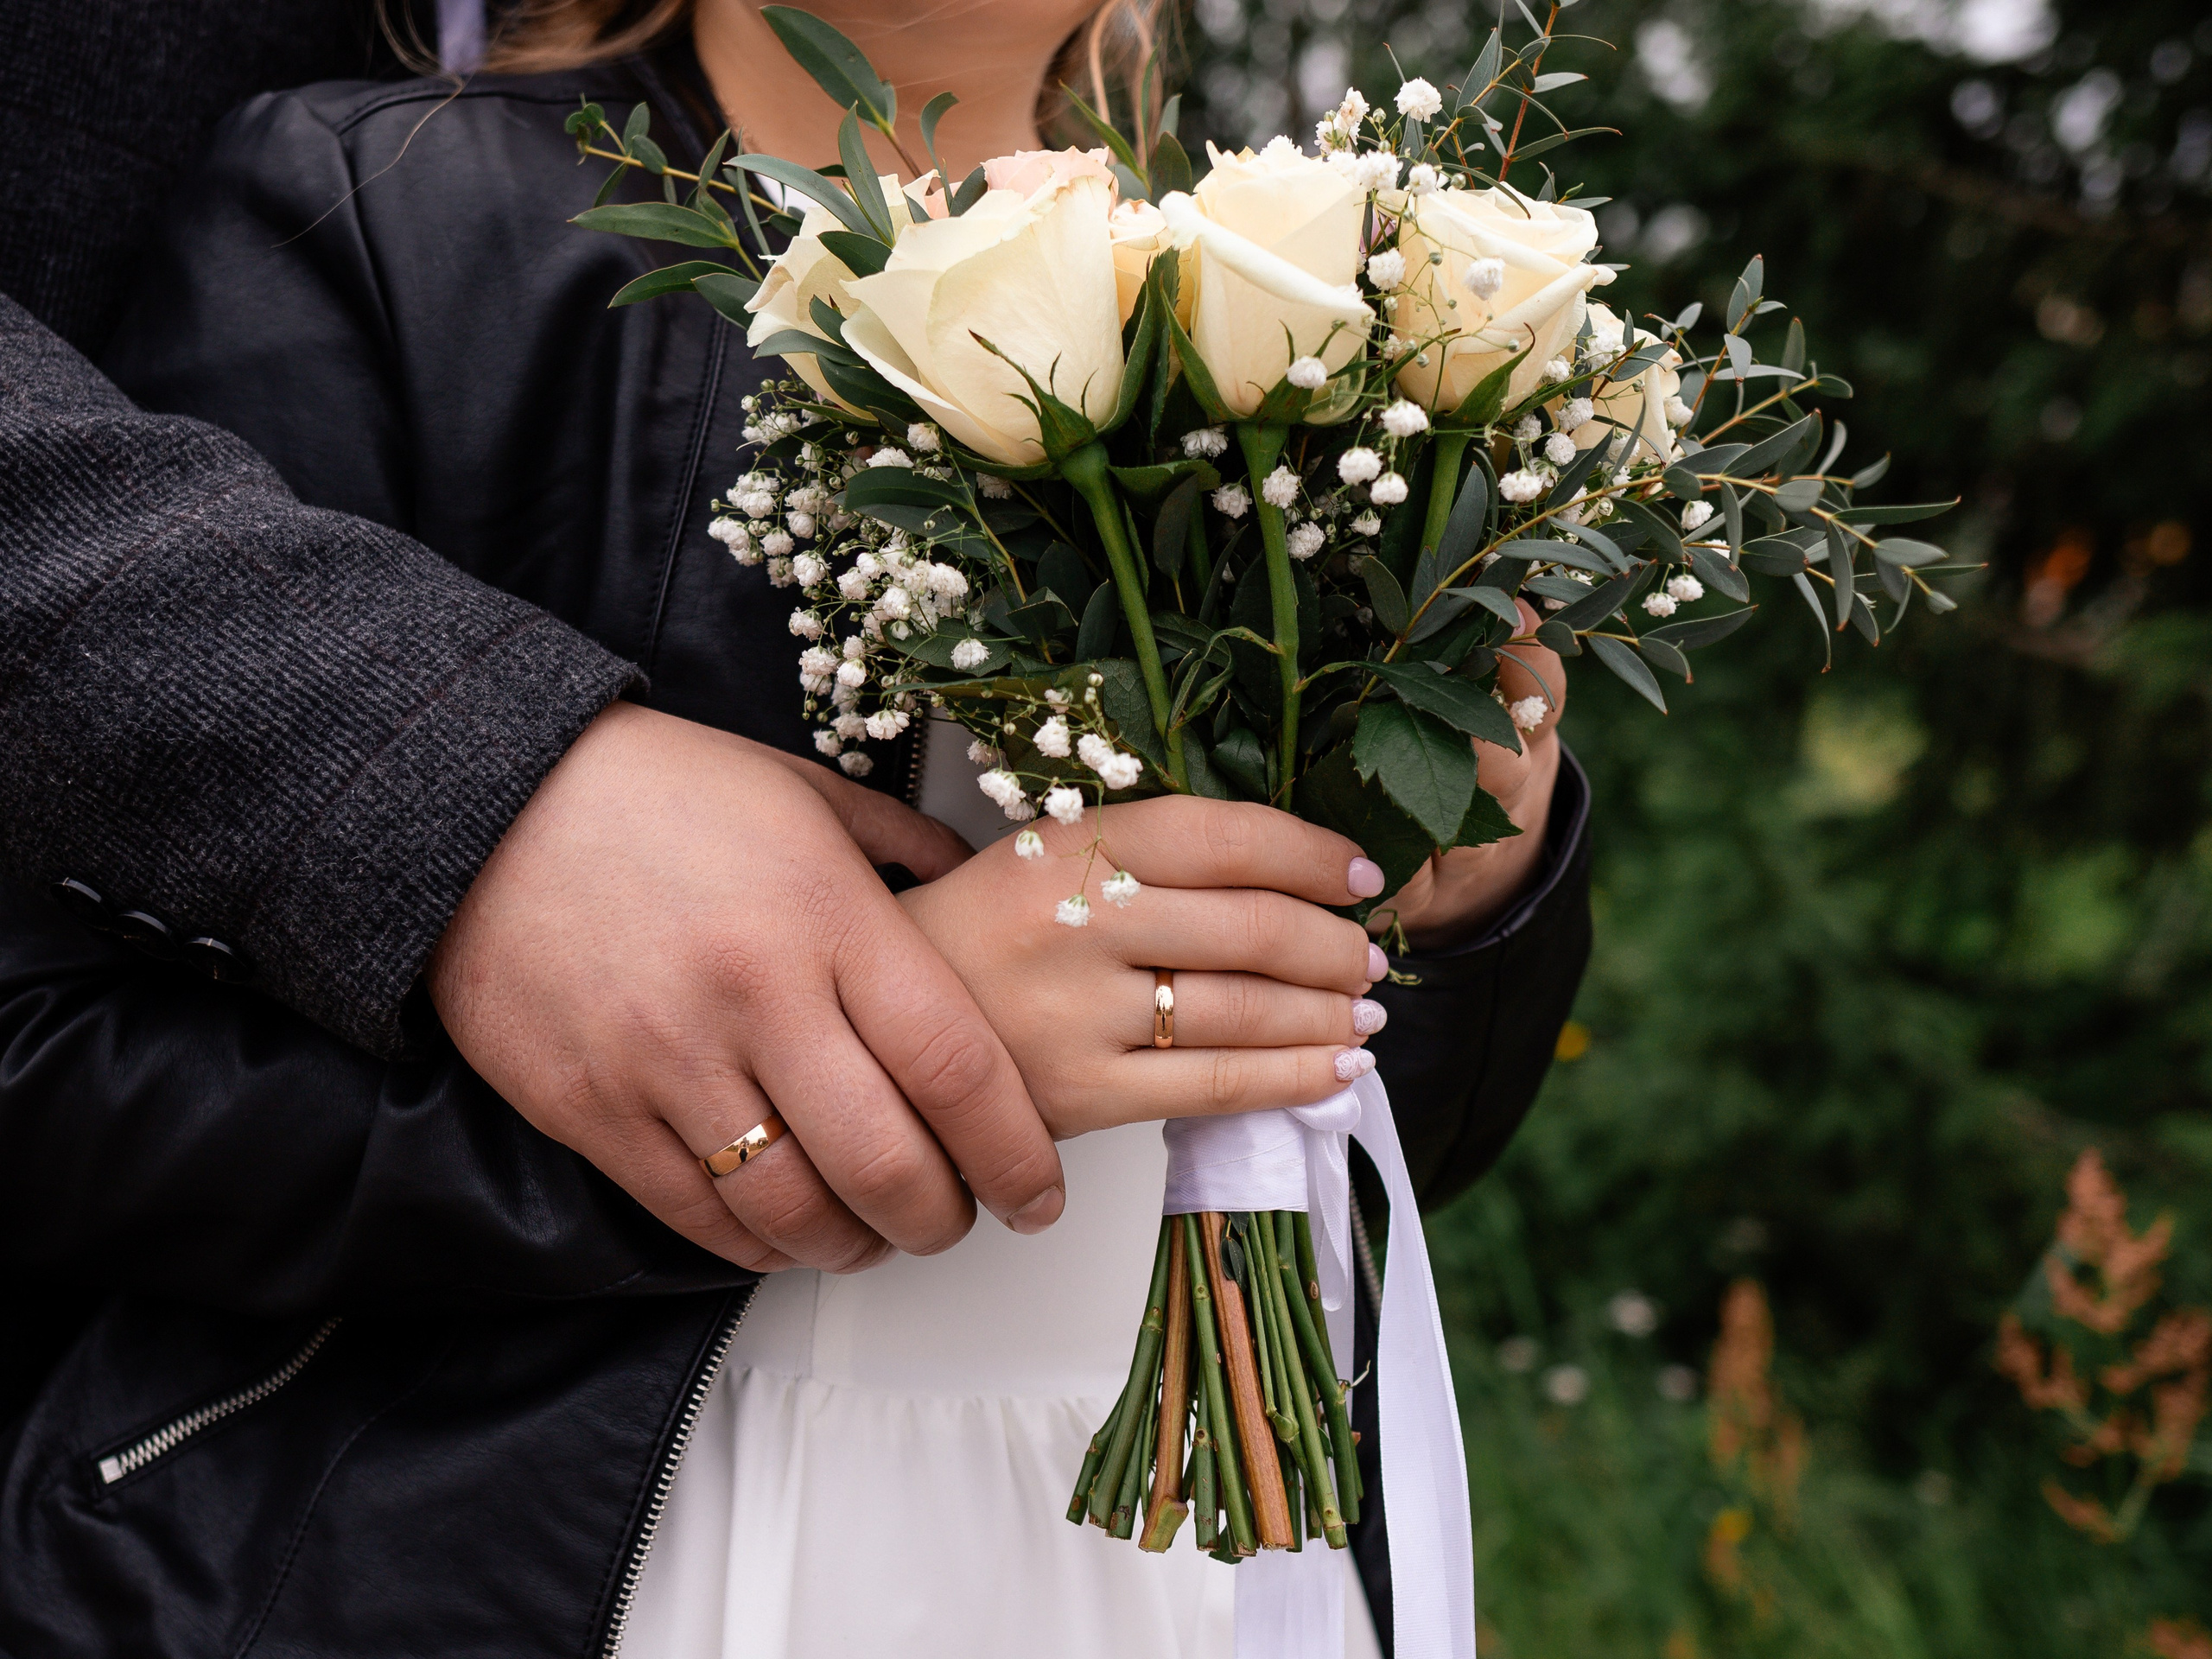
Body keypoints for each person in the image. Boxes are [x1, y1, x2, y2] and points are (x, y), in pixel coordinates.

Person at [0, 3, 1593, 1656]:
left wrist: (1462, 896)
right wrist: (835, 1077)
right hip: (555, 1543)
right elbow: (61, 1065)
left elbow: (1370, 1145)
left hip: (1184, 1546)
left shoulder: (1291, 294)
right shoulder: (386, 206)